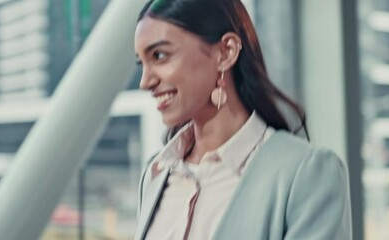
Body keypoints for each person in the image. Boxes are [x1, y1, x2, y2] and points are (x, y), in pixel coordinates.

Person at [133, 0, 352, 239]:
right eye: (141, 63)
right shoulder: (156, 174)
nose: (145, 82)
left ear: (226, 52)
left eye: (160, 55)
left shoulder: (306, 174)